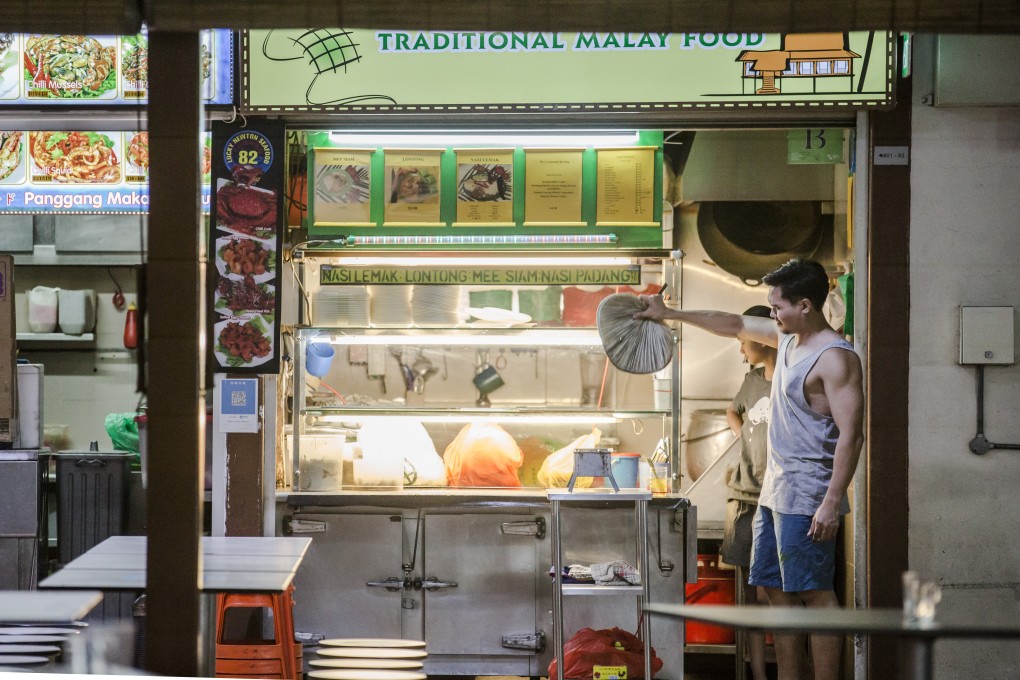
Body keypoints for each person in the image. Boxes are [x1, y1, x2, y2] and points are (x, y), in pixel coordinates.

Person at [635, 259, 864, 680]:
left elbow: (853, 436)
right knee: (774, 592)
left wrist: (832, 503)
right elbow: (731, 323)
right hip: (772, 494)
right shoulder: (788, 339)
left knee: (814, 595)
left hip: (808, 496)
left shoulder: (835, 360)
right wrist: (669, 314)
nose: (771, 315)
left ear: (806, 305)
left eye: (777, 307)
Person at [723, 304, 776, 680]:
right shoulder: (751, 381)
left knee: (775, 594)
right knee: (750, 597)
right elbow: (731, 410)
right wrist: (743, 435)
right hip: (744, 497)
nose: (741, 348)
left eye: (743, 340)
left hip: (777, 501)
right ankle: (757, 674)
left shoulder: (789, 379)